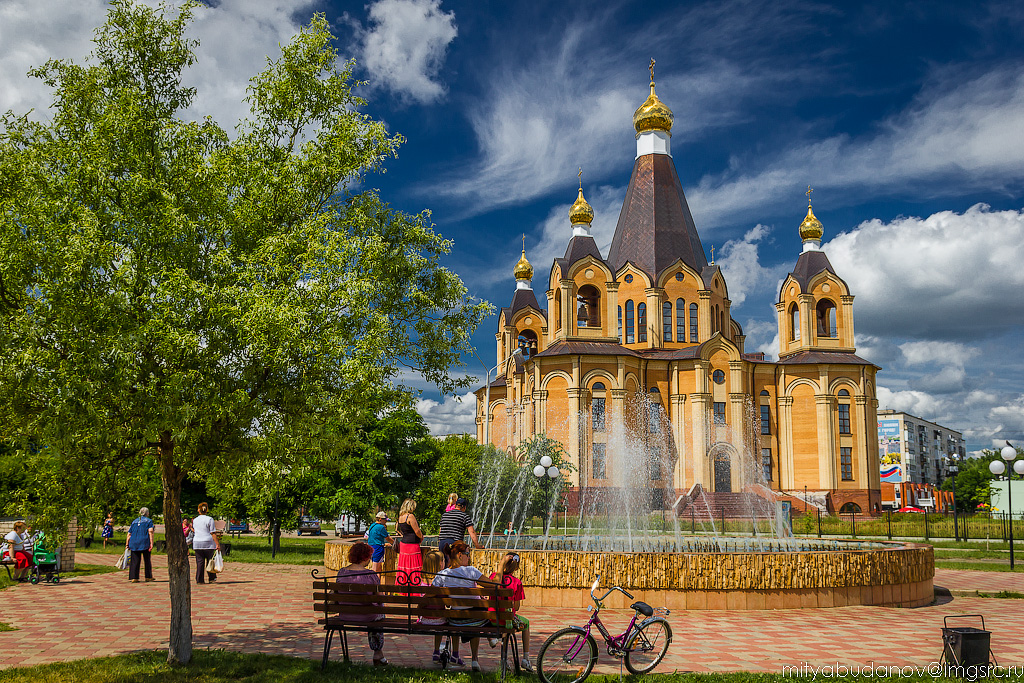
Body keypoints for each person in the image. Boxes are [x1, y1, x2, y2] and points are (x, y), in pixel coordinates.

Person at [431, 541, 485, 671]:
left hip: (454, 620)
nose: (469, 557)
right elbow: (493, 585)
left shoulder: (442, 574)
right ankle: (474, 660)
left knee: (457, 613)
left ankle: (455, 654)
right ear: (460, 555)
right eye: (468, 554)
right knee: (477, 617)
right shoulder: (471, 571)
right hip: (474, 620)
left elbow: (428, 594)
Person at [335, 542, 388, 666]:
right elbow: (380, 599)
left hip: (345, 615)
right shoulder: (371, 575)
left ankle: (375, 654)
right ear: (365, 557)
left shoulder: (341, 573)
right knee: (378, 612)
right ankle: (378, 653)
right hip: (368, 617)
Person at [487, 552, 533, 671]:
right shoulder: (517, 582)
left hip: (492, 620)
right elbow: (516, 607)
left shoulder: (493, 577)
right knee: (525, 623)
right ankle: (525, 659)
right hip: (506, 621)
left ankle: (504, 659)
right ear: (516, 567)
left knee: (507, 621)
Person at [438, 497, 483, 565]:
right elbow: (472, 532)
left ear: (455, 505)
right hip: (454, 544)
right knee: (454, 566)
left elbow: (440, 530)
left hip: (442, 543)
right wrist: (477, 546)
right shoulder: (464, 516)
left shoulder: (445, 515)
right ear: (464, 507)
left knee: (443, 565)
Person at [396, 499, 424, 587]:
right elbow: (417, 531)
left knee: (404, 565)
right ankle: (414, 586)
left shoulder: (400, 517)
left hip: (403, 544)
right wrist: (421, 537)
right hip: (412, 545)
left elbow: (399, 530)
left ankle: (403, 585)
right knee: (414, 565)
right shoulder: (410, 516)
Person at [125, 508, 155, 583]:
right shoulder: (149, 521)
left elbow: (129, 534)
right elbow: (150, 532)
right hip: (144, 541)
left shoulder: (134, 521)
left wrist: (127, 544)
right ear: (147, 513)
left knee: (135, 560)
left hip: (134, 542)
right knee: (147, 560)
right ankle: (148, 576)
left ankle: (134, 577)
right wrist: (151, 543)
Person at [192, 502, 220, 584]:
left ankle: (199, 579)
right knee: (210, 561)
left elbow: (195, 530)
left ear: (198, 510)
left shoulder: (195, 520)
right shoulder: (209, 519)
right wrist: (217, 543)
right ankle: (211, 578)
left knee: (200, 562)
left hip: (197, 542)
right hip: (208, 542)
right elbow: (212, 532)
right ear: (206, 510)